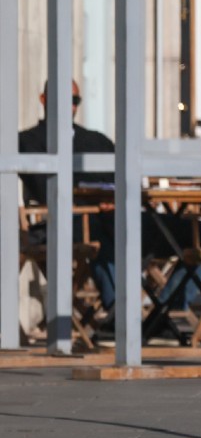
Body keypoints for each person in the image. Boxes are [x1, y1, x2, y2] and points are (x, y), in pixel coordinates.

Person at [18, 80, 117, 316]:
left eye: (73, 101)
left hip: (108, 217)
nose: (68, 106)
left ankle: (163, 312)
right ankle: (120, 313)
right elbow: (46, 189)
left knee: (197, 235)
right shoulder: (28, 141)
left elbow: (123, 181)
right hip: (57, 223)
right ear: (43, 100)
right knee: (101, 232)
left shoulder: (98, 141)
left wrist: (115, 199)